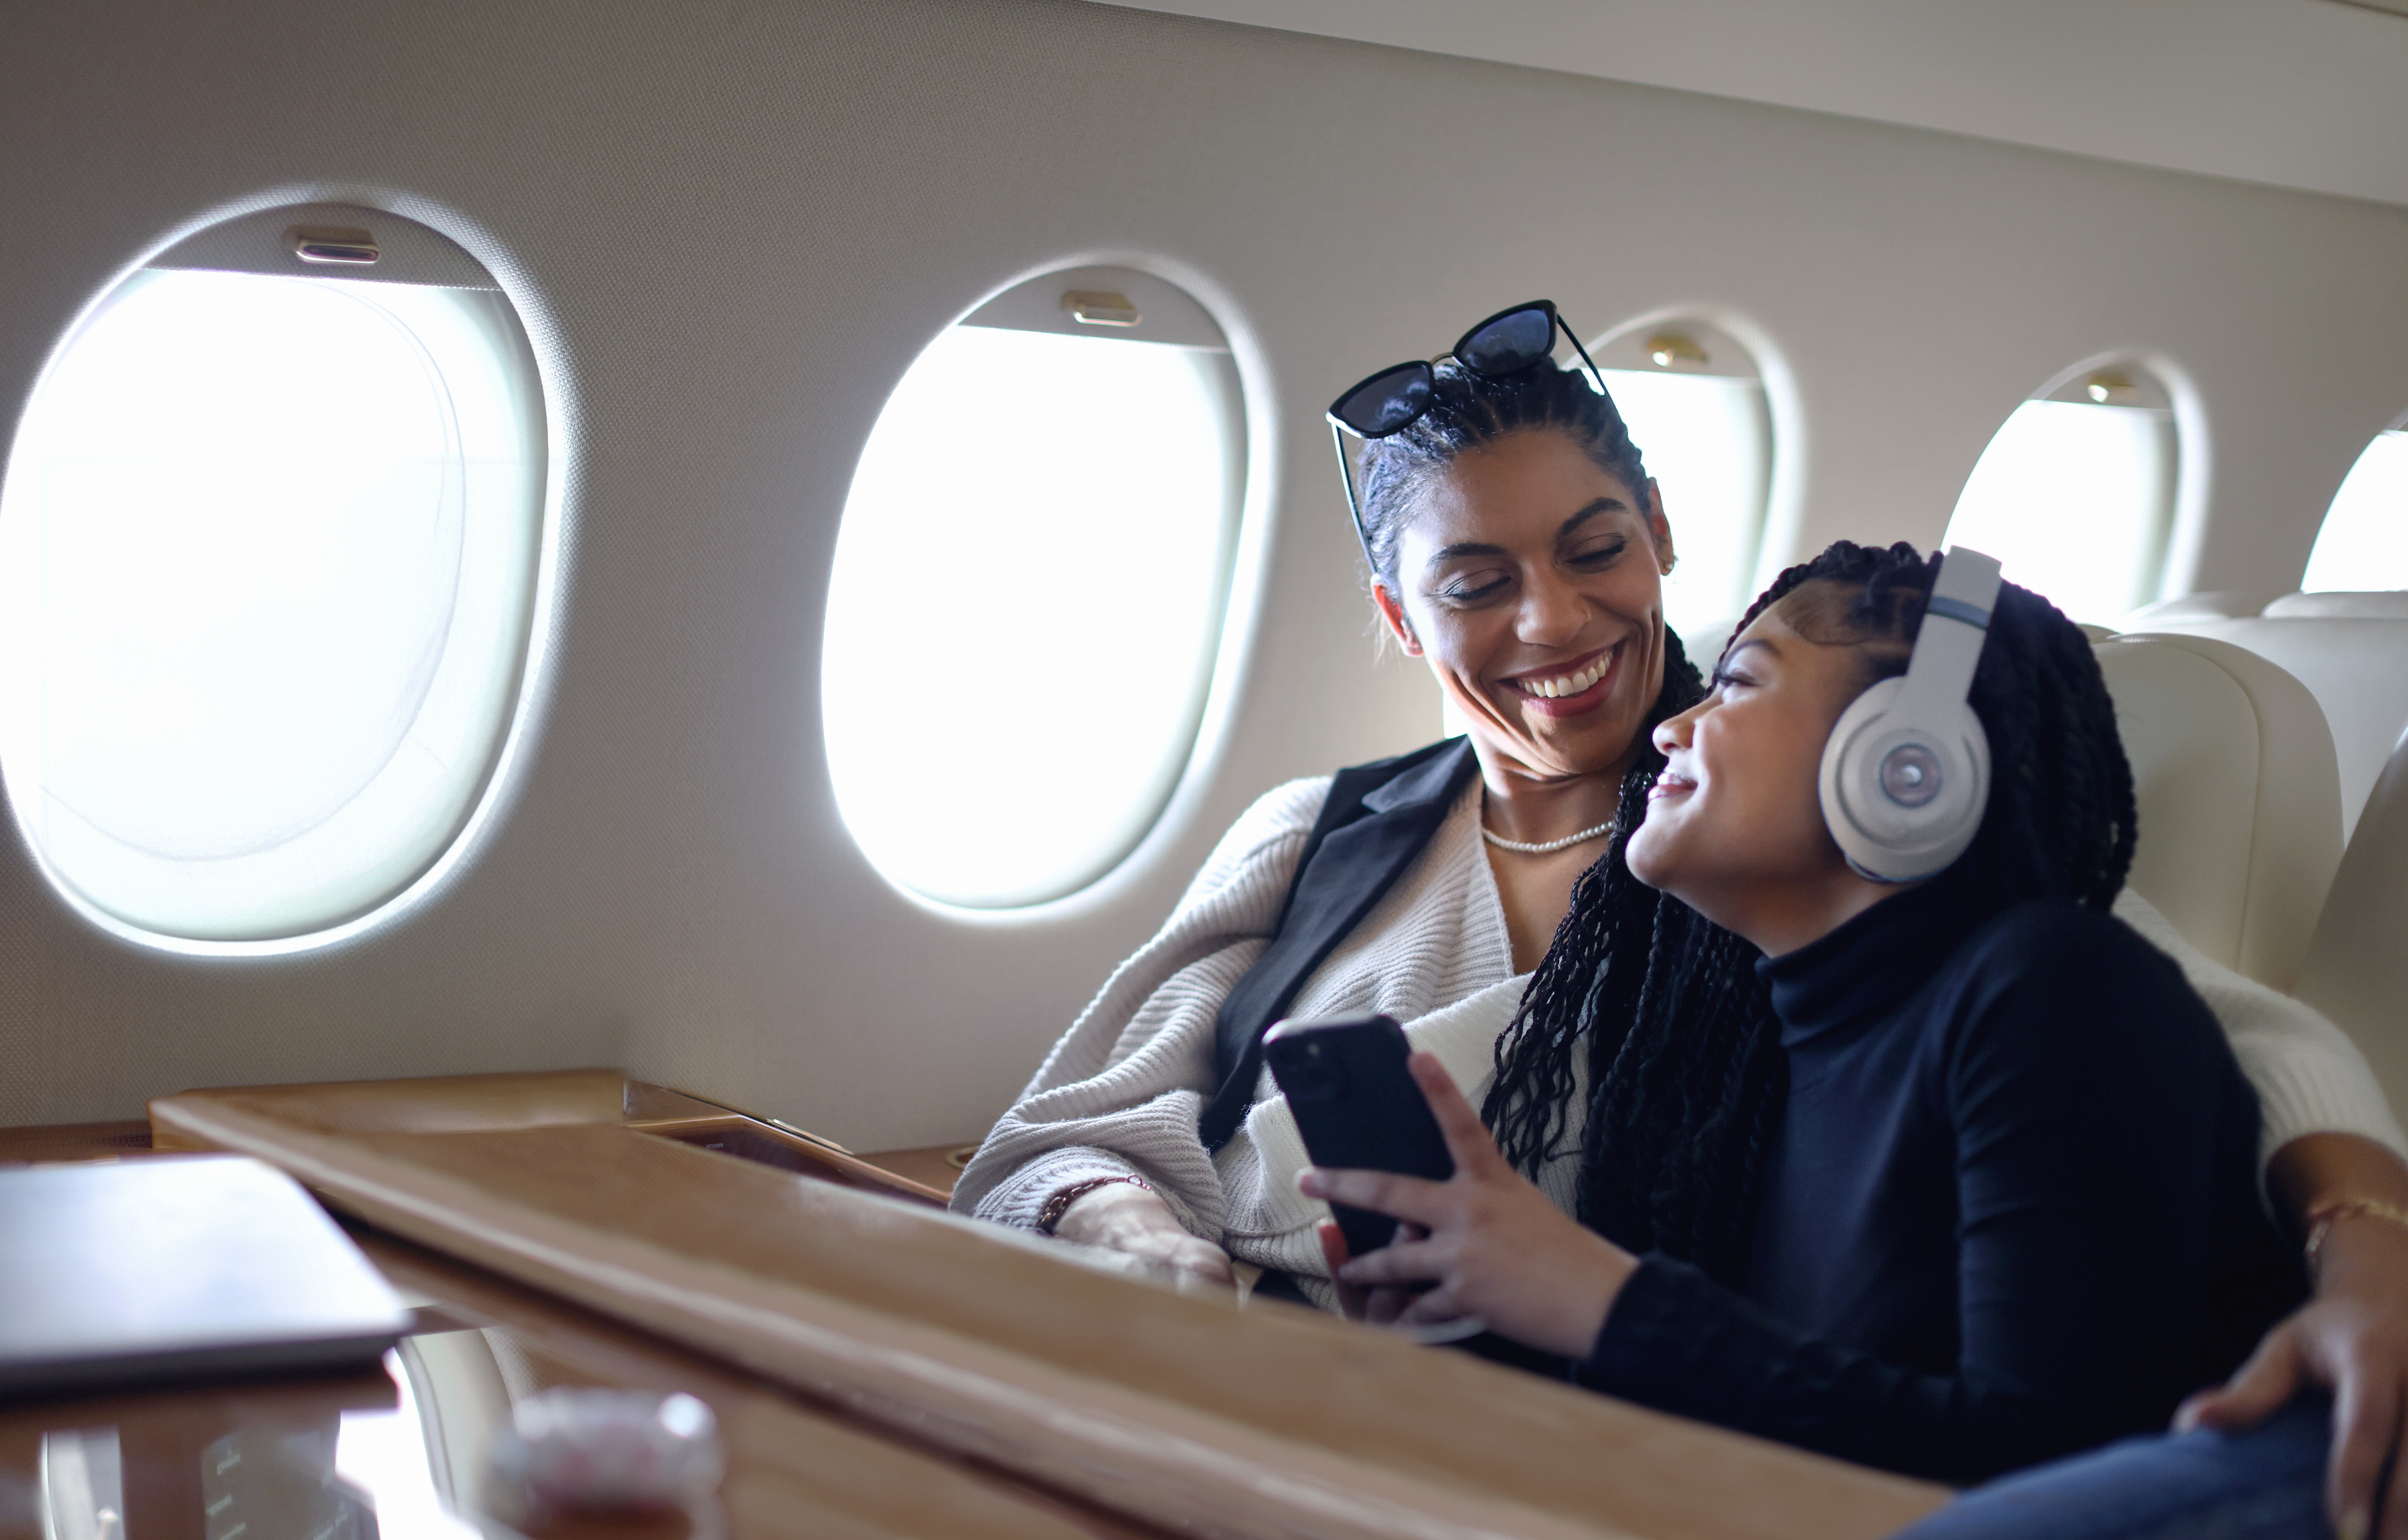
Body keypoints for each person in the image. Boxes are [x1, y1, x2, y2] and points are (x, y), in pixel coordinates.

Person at [950, 305, 2408, 1530]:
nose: (1553, 622)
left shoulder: (1809, 847)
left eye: (1594, 549)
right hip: (1217, 1377)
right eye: (1476, 582)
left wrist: (2367, 1242)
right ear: (1402, 619)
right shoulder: (1317, 829)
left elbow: (2233, 1039)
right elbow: (1064, 1131)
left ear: (1657, 533)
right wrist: (1144, 1237)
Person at [1303, 542, 2297, 1487]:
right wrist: (1471, 1344)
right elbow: (1780, 1420)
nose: (1669, 729)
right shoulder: (1766, 1064)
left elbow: (2042, 1464)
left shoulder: (2054, 991)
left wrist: (1604, 1302)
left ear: (1907, 759)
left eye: (1738, 684)